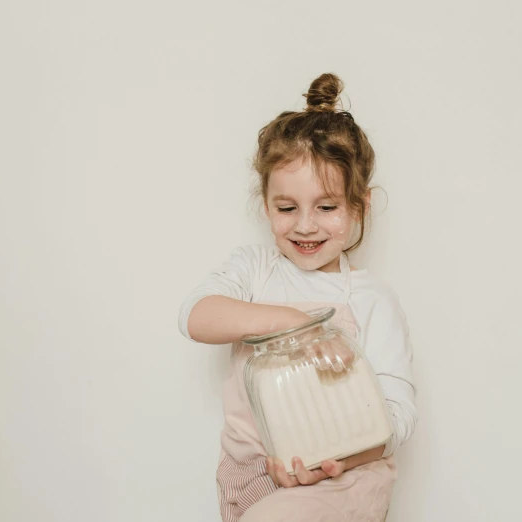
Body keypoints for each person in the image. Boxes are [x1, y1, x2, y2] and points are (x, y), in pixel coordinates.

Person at [178, 73, 417, 522]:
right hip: (251, 477)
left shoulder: (371, 299)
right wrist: (292, 323)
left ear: (359, 206)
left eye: (327, 207)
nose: (305, 225)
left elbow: (398, 418)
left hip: (340, 479)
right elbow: (195, 317)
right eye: (287, 208)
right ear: (265, 204)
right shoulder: (255, 272)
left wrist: (336, 460)